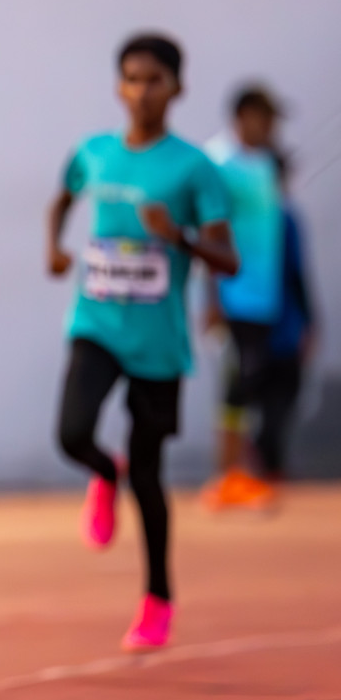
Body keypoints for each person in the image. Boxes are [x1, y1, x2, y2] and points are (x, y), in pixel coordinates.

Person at [46, 33, 237, 653]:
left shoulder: (194, 168)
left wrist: (177, 234)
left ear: (177, 88)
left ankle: (157, 599)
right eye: (132, 78)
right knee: (73, 434)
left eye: (154, 79)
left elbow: (227, 258)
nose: (142, 91)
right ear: (118, 86)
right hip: (96, 324)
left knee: (150, 477)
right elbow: (63, 196)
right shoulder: (95, 153)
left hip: (158, 341)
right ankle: (105, 471)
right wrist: (54, 245)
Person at [198, 86, 286, 510]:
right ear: (244, 115)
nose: (272, 127)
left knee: (252, 384)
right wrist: (210, 298)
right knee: (236, 383)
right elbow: (208, 232)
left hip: (264, 295)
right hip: (232, 294)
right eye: (265, 117)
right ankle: (226, 476)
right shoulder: (219, 162)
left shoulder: (266, 161)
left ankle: (241, 473)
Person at [255, 159, 317, 482]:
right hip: (264, 328)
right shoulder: (280, 219)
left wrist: (309, 322)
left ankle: (268, 469)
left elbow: (296, 274)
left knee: (274, 406)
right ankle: (265, 470)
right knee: (270, 406)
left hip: (279, 328)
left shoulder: (284, 219)